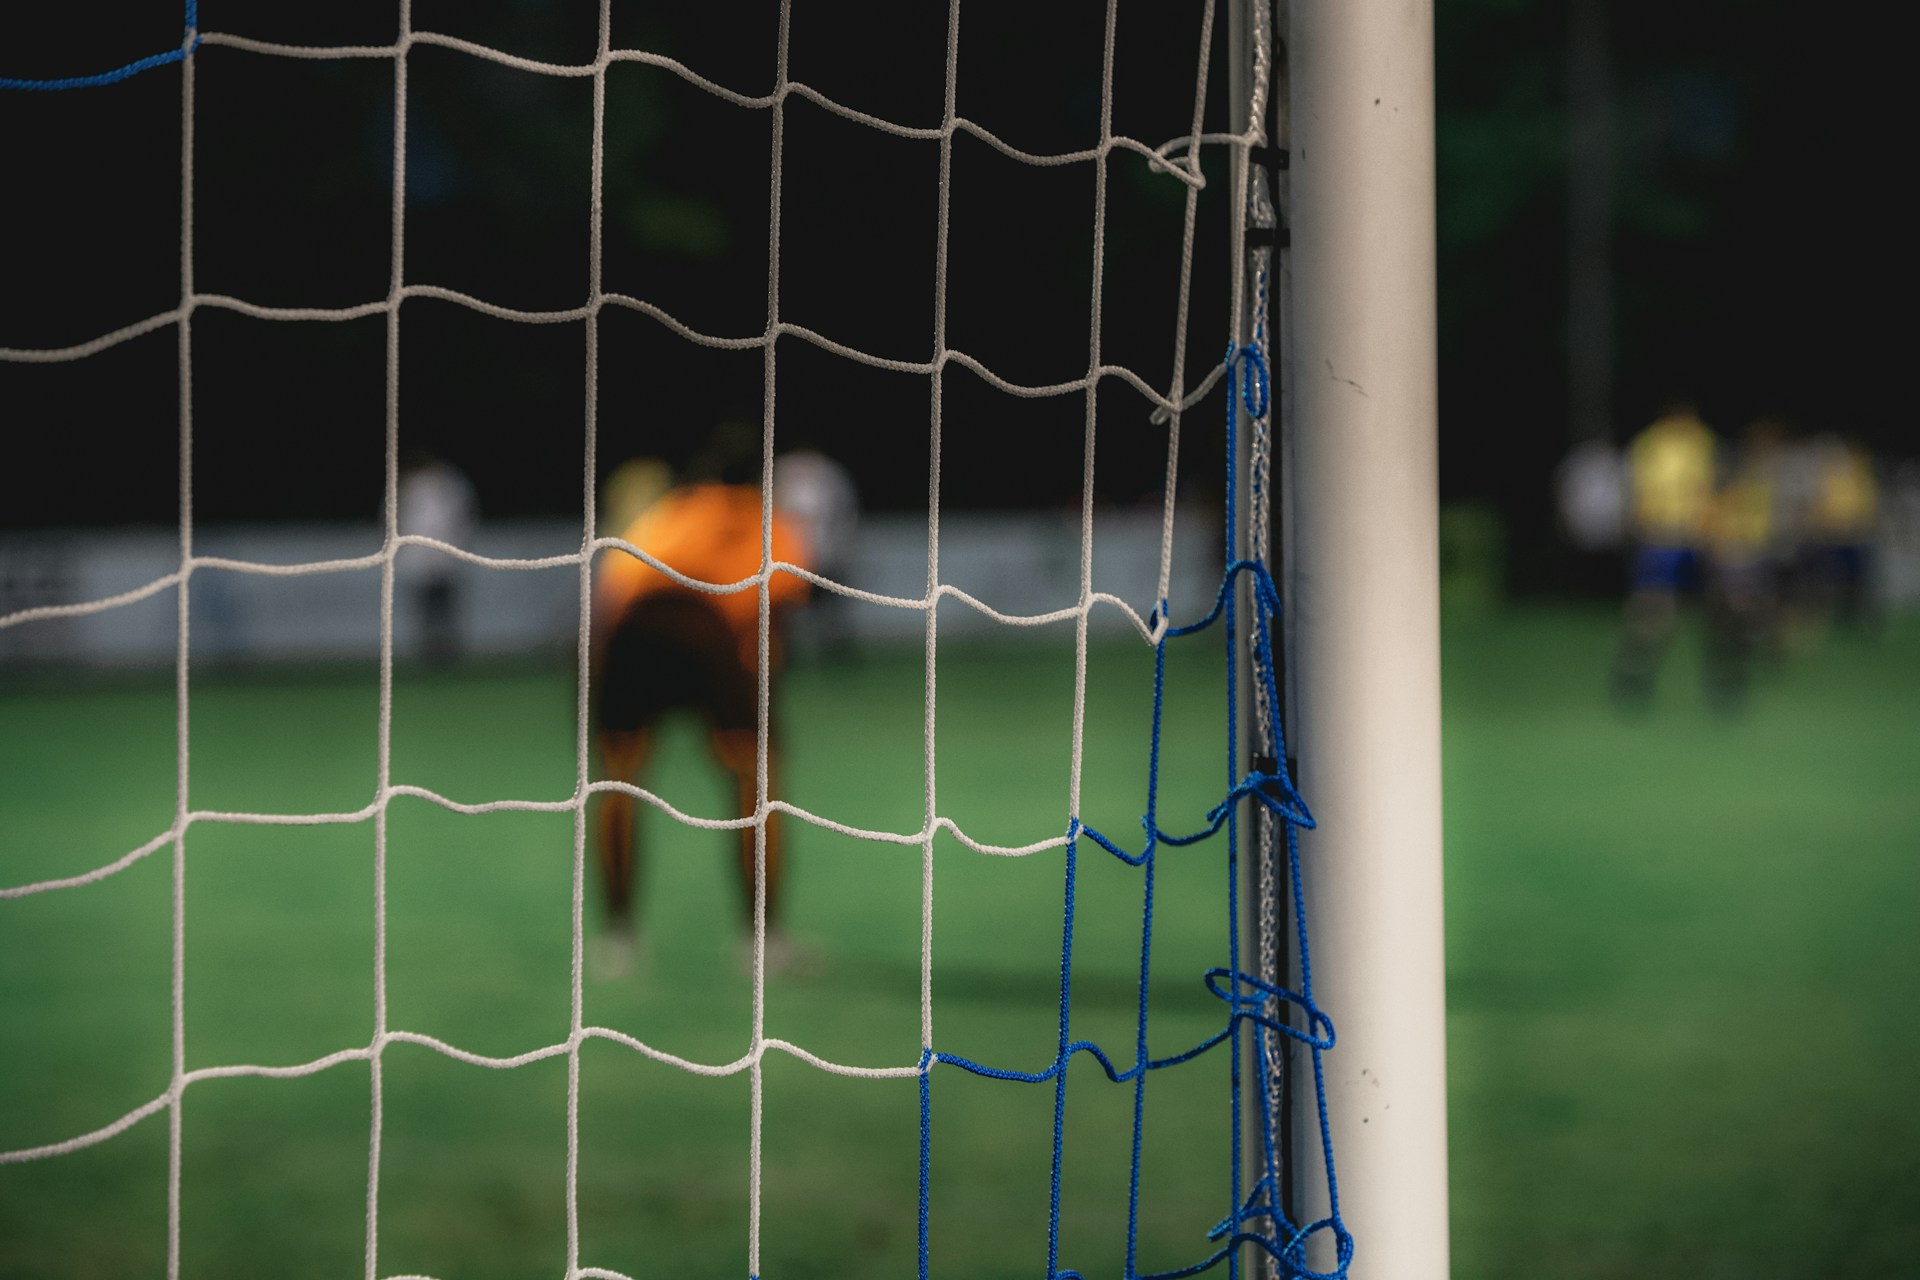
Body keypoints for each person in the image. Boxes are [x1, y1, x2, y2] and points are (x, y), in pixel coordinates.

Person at [590, 431, 812, 976]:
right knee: (756, 781)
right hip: (712, 635)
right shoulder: (770, 521)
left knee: (619, 779)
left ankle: (618, 938)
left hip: (634, 633)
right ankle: (763, 941)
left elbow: (613, 590)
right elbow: (771, 609)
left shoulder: (666, 514)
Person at [1610, 402, 1716, 706]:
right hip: (1663, 538)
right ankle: (1633, 671)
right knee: (1655, 609)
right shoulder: (1653, 445)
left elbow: (1705, 488)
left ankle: (1719, 680)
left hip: (1691, 539)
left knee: (1705, 610)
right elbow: (1641, 494)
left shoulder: (1700, 442)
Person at [396, 453, 478, 666]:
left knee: (446, 608)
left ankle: (448, 652)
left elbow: (464, 515)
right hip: (419, 561)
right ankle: (429, 652)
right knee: (425, 610)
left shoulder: (450, 485)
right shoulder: (406, 488)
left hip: (446, 558)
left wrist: (459, 544)